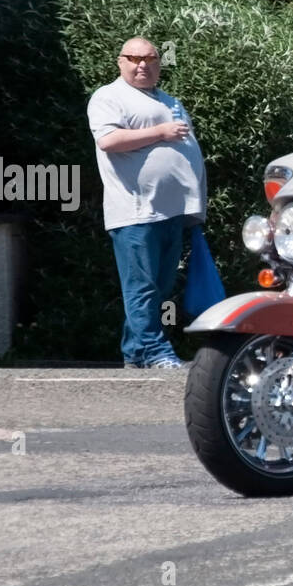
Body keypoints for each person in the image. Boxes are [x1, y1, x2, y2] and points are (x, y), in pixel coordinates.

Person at [87, 36, 207, 369]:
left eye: (151, 58)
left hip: (171, 212)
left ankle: (136, 353)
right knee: (141, 287)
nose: (143, 64)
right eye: (135, 58)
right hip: (136, 211)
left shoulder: (168, 100)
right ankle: (155, 350)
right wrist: (162, 132)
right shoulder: (109, 97)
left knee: (160, 287)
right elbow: (109, 140)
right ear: (120, 61)